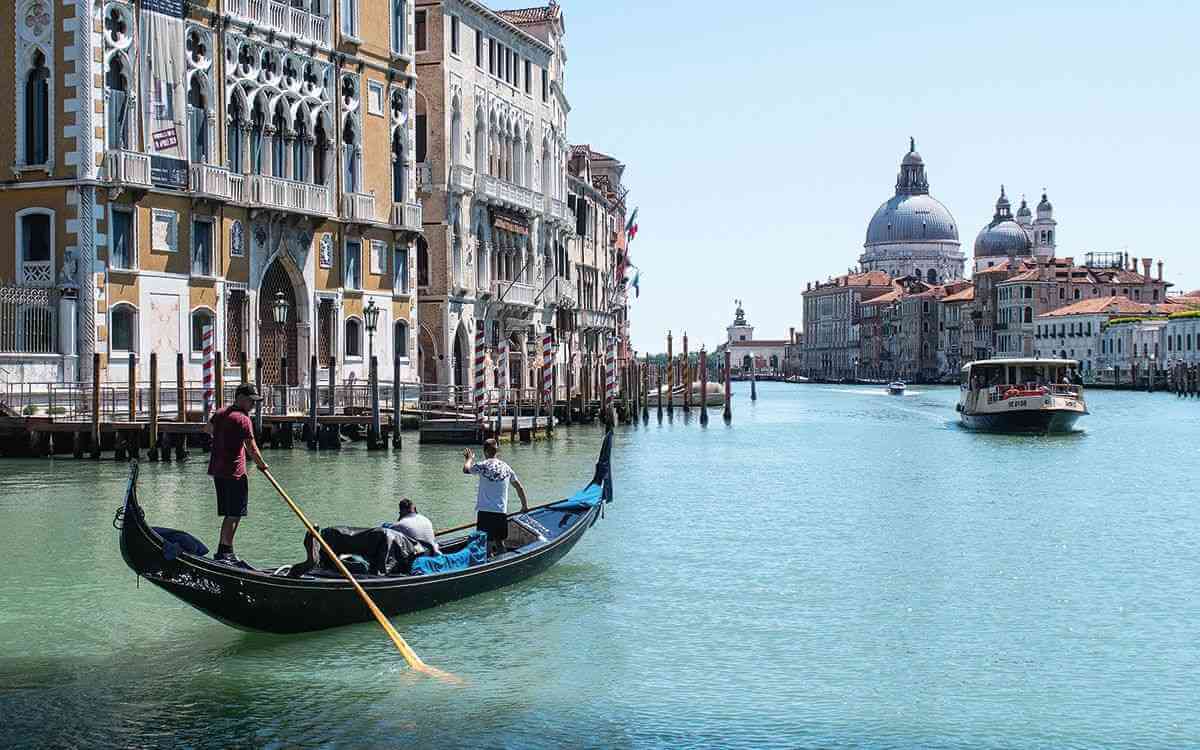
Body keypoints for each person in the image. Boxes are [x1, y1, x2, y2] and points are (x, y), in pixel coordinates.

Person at [204, 384, 269, 564]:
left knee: (228, 513)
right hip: (235, 473)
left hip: (217, 471)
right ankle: (225, 553)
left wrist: (224, 440)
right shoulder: (243, 419)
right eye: (251, 401)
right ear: (240, 398)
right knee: (234, 514)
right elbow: (251, 447)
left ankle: (224, 550)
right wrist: (262, 465)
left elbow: (207, 429)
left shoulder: (220, 413)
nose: (253, 405)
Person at [463, 439, 529, 556]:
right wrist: (524, 505)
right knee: (500, 542)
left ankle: (487, 565)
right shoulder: (506, 468)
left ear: (485, 452)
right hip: (500, 512)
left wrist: (469, 459)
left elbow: (466, 469)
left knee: (487, 543)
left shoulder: (482, 466)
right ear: (497, 451)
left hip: (485, 512)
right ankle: (503, 562)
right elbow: (519, 487)